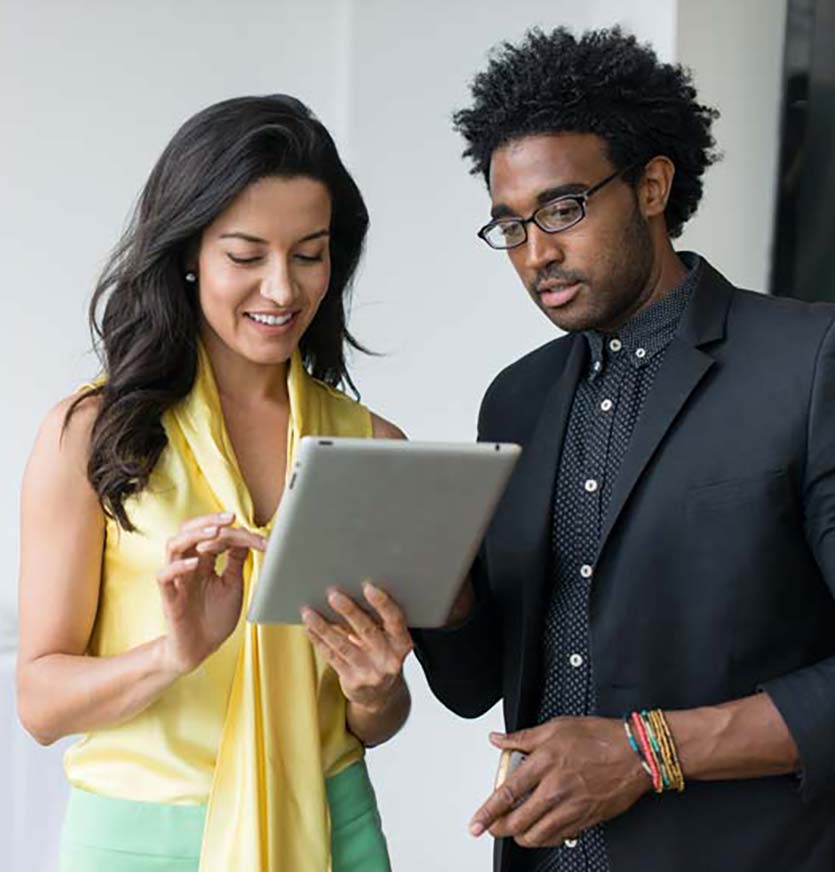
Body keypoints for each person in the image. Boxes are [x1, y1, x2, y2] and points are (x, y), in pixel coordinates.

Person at [412, 26, 835, 872]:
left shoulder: (808, 362)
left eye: (562, 209)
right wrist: (422, 586)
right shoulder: (517, 397)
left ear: (651, 185)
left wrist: (648, 752)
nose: (537, 254)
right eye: (511, 226)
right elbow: (475, 685)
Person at [16, 94, 412, 872]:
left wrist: (375, 689)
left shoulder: (373, 447)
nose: (281, 290)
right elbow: (39, 703)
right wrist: (176, 652)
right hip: (140, 843)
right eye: (245, 254)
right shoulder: (90, 434)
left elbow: (374, 720)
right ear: (188, 252)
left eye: (308, 254)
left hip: (334, 829)